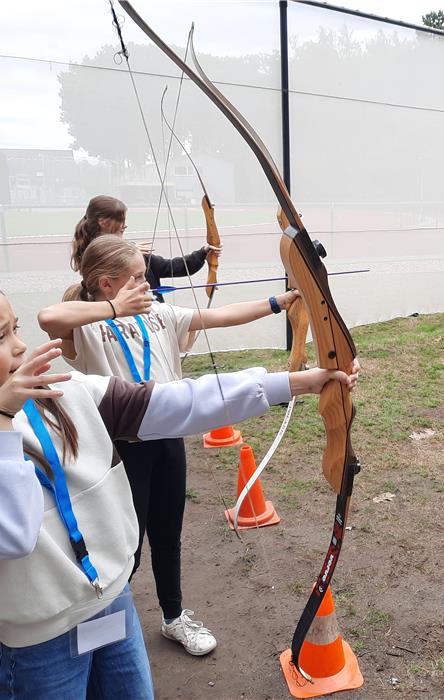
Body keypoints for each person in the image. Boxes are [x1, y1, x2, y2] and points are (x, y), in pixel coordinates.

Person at [0, 291, 358, 699]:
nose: (20, 346)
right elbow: (13, 534)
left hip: (111, 601)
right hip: (37, 639)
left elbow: (179, 401)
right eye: (1, 336)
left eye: (16, 329)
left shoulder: (65, 390)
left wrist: (295, 382)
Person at [38, 235, 308, 656]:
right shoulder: (88, 323)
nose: (147, 284)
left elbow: (217, 316)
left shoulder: (159, 314)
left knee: (167, 533)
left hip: (167, 439)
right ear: (107, 284)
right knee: (124, 542)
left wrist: (279, 302)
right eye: (137, 277)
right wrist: (113, 310)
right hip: (120, 450)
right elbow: (48, 317)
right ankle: (110, 631)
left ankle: (173, 616)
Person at [71, 194, 222, 302]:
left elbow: (173, 267)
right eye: (121, 220)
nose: (125, 225)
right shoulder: (94, 258)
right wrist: (131, 250)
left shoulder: (134, 252)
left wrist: (203, 252)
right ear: (103, 222)